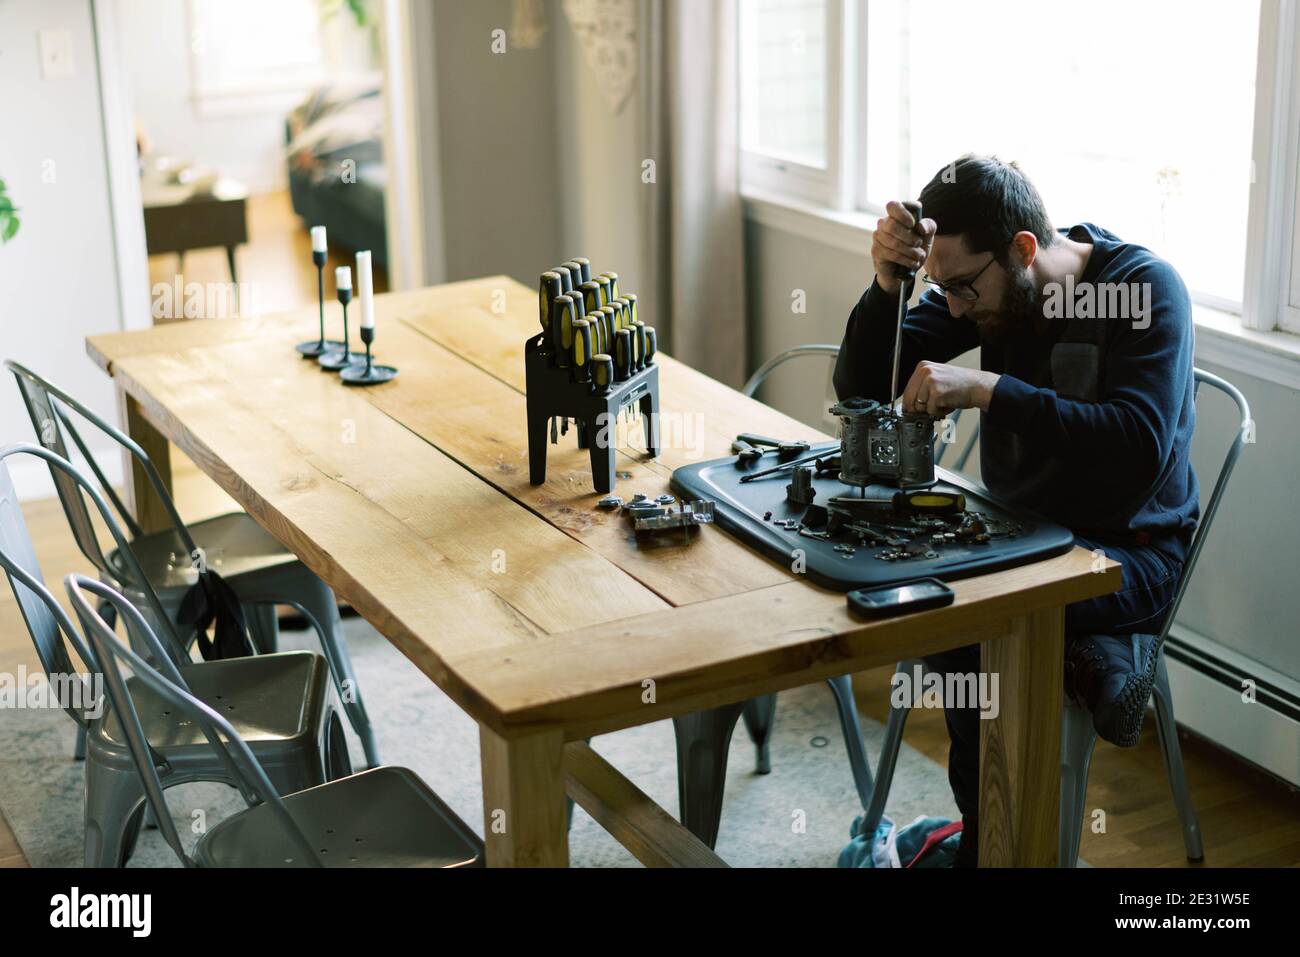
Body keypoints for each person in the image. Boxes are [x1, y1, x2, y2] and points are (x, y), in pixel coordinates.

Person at [833, 154, 1199, 867]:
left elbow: (1138, 448)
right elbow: (859, 384)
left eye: (964, 288)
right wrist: (888, 286)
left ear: (1023, 250)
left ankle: (993, 846)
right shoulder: (985, 287)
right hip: (1021, 535)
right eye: (944, 289)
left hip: (1132, 552)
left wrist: (988, 388)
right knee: (935, 598)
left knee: (975, 623)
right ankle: (1078, 668)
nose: (957, 308)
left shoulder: (1144, 289)